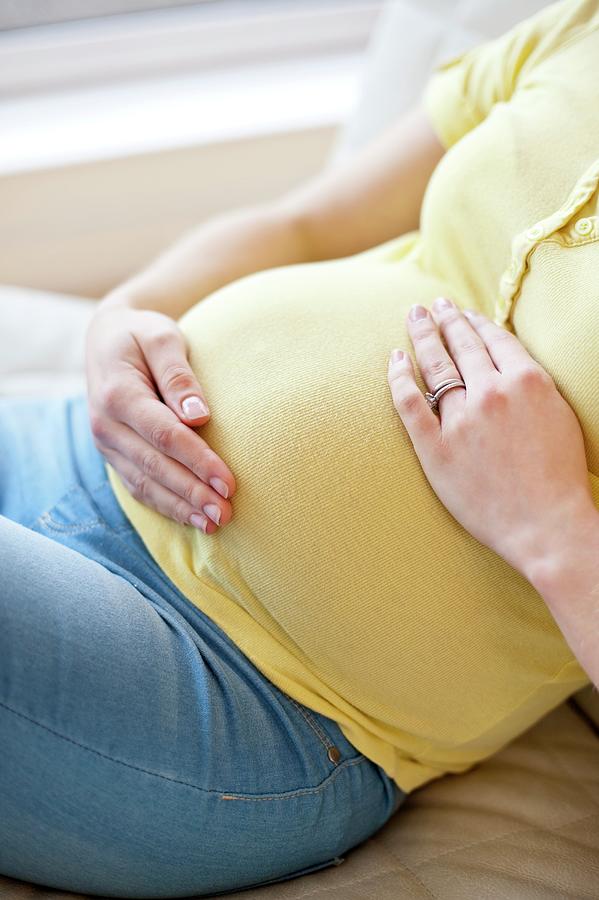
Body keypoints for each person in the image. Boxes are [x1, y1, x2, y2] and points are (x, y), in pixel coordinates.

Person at [1, 0, 598, 896]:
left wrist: (551, 526)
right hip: (76, 452)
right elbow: (306, 225)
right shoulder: (580, 31)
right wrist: (127, 313)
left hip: (243, 695)